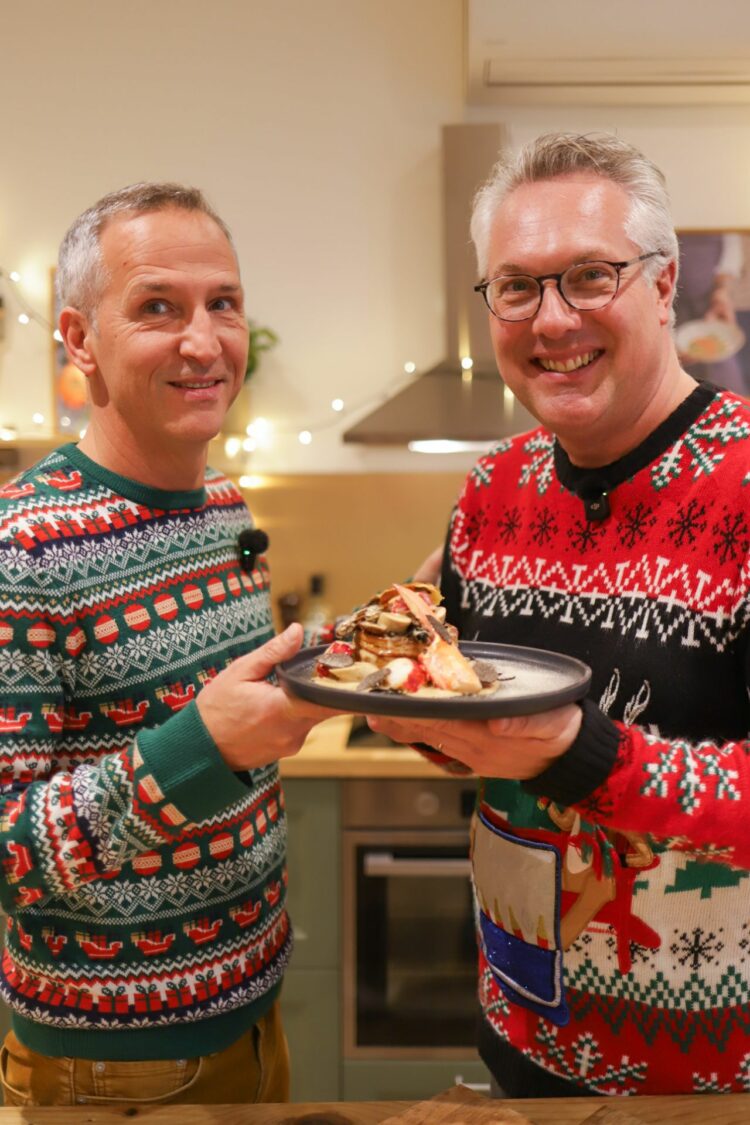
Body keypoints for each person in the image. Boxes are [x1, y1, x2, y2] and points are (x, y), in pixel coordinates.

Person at [368, 133, 750, 1098]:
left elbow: (553, 747)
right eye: (516, 286)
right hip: (522, 1046)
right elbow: (459, 695)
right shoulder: (494, 486)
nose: (551, 318)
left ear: (664, 287)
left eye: (589, 277)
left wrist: (584, 755)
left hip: (714, 1086)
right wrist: (411, 709)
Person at [0, 183, 336, 1107]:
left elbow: (216, 715)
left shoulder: (223, 503)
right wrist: (205, 746)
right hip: (117, 1061)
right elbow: (8, 848)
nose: (204, 341)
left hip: (255, 1008)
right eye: (158, 307)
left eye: (221, 303)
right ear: (78, 339)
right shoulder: (24, 546)